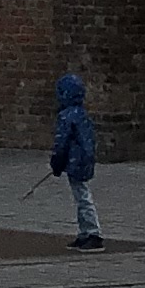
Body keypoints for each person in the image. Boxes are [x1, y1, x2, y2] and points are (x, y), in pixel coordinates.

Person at [49, 70, 103, 247]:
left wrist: (56, 163)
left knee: (82, 197)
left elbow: (61, 143)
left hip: (74, 161)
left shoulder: (66, 117)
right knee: (81, 195)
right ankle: (84, 232)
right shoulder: (82, 114)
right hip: (84, 160)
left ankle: (92, 232)